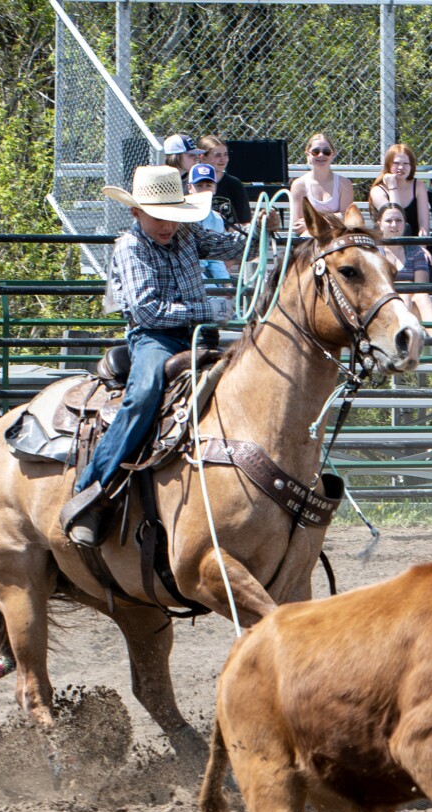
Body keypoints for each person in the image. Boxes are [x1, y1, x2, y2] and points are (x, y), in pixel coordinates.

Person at [64, 165, 266, 546]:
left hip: (197, 336)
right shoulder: (131, 246)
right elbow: (148, 312)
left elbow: (234, 247)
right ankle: (90, 490)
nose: (168, 225)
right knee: (143, 396)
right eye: (158, 217)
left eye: (173, 216)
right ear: (135, 212)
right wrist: (209, 309)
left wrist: (260, 229)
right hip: (154, 338)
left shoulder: (186, 232)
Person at [375, 202, 432, 356]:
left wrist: (405, 290)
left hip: (412, 306)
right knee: (407, 294)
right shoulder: (373, 252)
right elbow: (377, 287)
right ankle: (404, 345)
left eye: (399, 220)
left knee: (421, 296)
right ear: (379, 224)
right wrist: (405, 288)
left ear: (405, 223)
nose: (394, 225)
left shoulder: (415, 251)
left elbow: (421, 287)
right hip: (383, 306)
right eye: (389, 221)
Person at [287, 132, 354, 236]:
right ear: (308, 154)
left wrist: (314, 222)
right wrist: (334, 218)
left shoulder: (344, 184)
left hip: (336, 234)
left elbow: (346, 217)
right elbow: (297, 225)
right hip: (310, 236)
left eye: (326, 152)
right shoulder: (299, 185)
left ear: (333, 154)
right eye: (316, 151)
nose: (321, 155)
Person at [368, 144, 432, 238]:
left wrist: (422, 244)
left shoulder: (418, 186)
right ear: (388, 165)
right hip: (388, 240)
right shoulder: (377, 191)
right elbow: (396, 216)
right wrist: (392, 186)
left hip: (413, 241)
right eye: (396, 163)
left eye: (406, 163)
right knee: (405, 227)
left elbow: (424, 224)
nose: (401, 167)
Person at [187, 163, 232, 287]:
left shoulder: (217, 219)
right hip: (187, 275)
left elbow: (215, 260)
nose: (204, 190)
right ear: (189, 187)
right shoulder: (181, 216)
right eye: (199, 185)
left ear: (215, 188)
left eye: (208, 185)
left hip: (205, 275)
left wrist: (226, 284)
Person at [198, 134, 252, 229]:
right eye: (217, 155)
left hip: (229, 234)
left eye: (225, 154)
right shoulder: (194, 183)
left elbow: (245, 221)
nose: (223, 159)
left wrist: (233, 228)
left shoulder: (234, 184)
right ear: (203, 158)